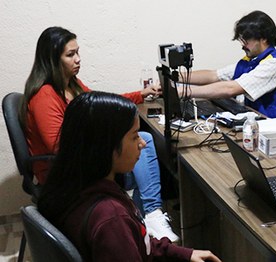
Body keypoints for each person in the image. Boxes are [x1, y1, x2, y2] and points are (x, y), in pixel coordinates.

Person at [21, 26, 179, 242]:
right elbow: (59, 147)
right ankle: (149, 217)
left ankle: (142, 224)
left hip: (83, 164)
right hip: (65, 175)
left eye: (78, 52)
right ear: (51, 59)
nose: (78, 59)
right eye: (70, 55)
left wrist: (139, 94)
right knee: (146, 146)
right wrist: (106, 140)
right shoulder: (45, 96)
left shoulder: (72, 85)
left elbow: (101, 105)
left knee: (145, 151)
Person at [37, 91, 221, 262]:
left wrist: (184, 253)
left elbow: (141, 244)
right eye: (134, 137)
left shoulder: (74, 185)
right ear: (106, 146)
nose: (142, 143)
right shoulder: (111, 219)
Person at [178, 10, 276, 118]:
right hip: (252, 121)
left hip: (270, 127)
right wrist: (176, 78)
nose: (242, 46)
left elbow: (231, 88)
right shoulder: (252, 60)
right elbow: (215, 76)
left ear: (263, 38)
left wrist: (185, 92)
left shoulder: (274, 64)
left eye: (246, 41)